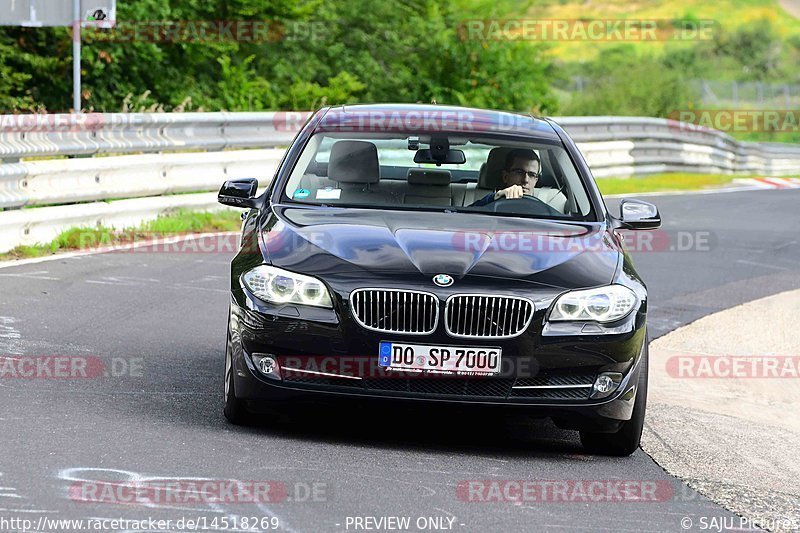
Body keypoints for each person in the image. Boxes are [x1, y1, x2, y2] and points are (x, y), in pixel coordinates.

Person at [471, 148, 540, 207]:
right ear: (505, 176)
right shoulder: (490, 202)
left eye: (532, 175)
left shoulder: (544, 211)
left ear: (536, 181)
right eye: (519, 172)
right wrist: (495, 198)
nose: (525, 180)